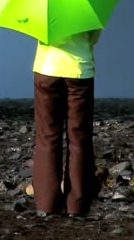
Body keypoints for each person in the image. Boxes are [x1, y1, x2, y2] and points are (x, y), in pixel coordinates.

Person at [31, 29, 102, 217]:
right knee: (79, 138)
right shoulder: (88, 1)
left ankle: (47, 204)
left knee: (47, 136)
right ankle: (77, 205)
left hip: (46, 68)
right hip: (79, 70)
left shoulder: (41, 1)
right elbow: (94, 38)